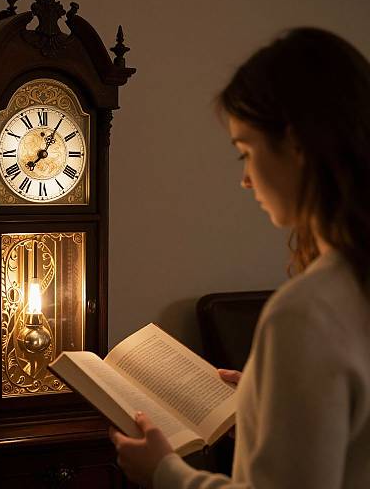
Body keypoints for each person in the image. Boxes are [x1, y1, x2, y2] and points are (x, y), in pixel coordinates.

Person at [109, 27, 370, 488]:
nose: (246, 180)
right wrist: (261, 392)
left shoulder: (306, 314)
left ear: (295, 144)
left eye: (245, 153)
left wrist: (164, 472)